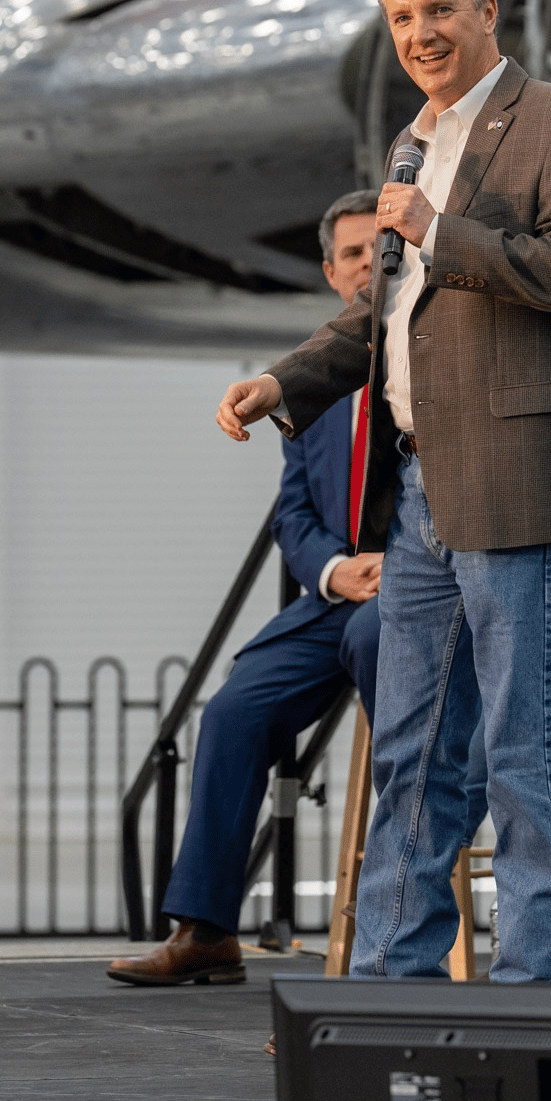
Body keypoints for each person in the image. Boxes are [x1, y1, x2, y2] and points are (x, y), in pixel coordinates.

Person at [216, 0, 551, 983]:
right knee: (410, 750)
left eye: (439, 9)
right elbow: (384, 314)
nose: (420, 33)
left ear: (488, 11)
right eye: (401, 17)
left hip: (521, 484)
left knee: (525, 749)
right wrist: (287, 382)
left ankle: (533, 992)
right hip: (417, 492)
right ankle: (388, 985)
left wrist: (441, 229)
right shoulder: (411, 143)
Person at [107, 191, 382, 987]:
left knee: (395, 694)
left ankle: (390, 936)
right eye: (353, 254)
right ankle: (205, 930)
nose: (370, 264)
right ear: (330, 273)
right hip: (334, 596)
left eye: (382, 249)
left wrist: (399, 565)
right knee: (233, 712)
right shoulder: (308, 379)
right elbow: (292, 515)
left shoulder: (431, 355)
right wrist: (334, 570)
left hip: (418, 588)